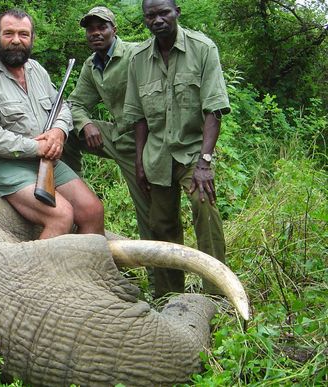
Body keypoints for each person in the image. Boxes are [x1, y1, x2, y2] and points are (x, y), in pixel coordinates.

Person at [123, 0, 231, 297]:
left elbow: (214, 110)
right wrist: (139, 160)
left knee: (204, 210)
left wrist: (205, 163)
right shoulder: (139, 59)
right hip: (157, 155)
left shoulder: (202, 48)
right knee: (161, 225)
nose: (157, 20)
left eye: (163, 13)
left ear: (177, 12)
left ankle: (216, 294)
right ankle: (170, 296)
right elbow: (139, 117)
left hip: (193, 153)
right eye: (150, 15)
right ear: (145, 19)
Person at [0, 9, 105, 239]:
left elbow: (61, 107)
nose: (16, 40)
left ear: (32, 39)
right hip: (5, 164)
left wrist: (59, 132)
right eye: (8, 33)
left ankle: (78, 273)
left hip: (46, 160)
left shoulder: (37, 70)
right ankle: (37, 276)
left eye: (23, 34)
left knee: (93, 211)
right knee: (61, 215)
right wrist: (37, 147)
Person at [64, 6, 154, 241]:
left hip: (148, 142)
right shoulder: (91, 65)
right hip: (118, 137)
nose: (95, 33)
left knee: (150, 213)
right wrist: (85, 124)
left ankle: (159, 276)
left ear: (114, 29)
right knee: (66, 132)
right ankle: (71, 190)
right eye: (90, 29)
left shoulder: (137, 54)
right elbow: (74, 104)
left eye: (101, 27)